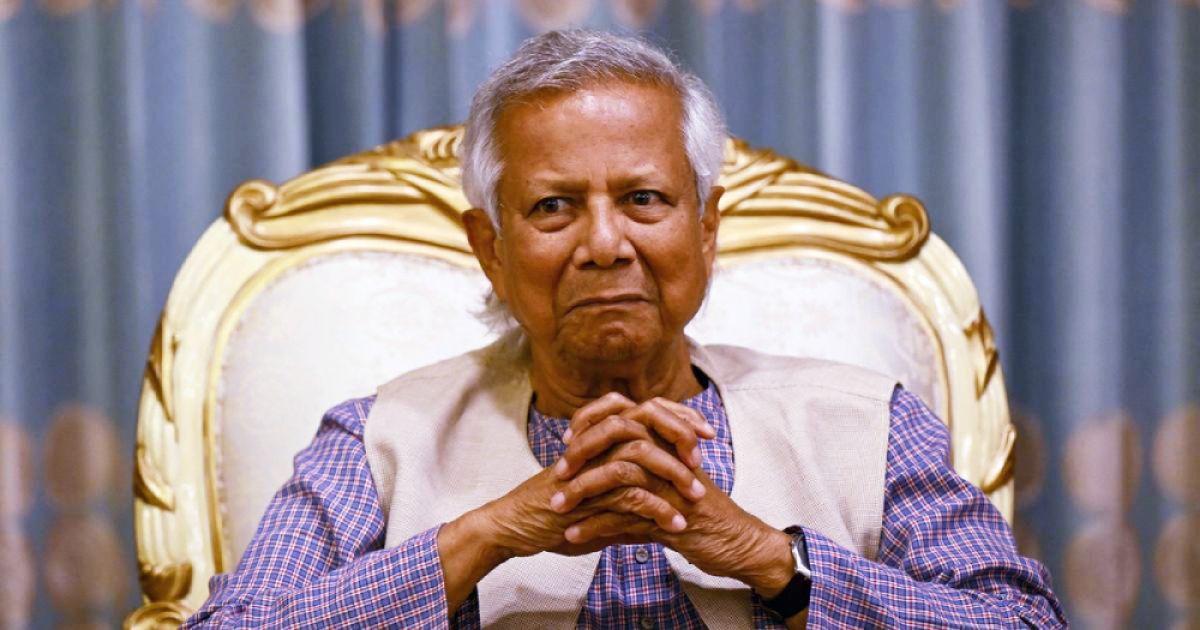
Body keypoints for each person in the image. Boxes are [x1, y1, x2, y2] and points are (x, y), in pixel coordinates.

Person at [183, 30, 1066, 629]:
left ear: (706, 230)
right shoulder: (378, 440)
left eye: (644, 199)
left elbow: (1021, 621)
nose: (605, 244)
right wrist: (488, 535)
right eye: (554, 207)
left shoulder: (868, 422)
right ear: (490, 249)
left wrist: (767, 559)